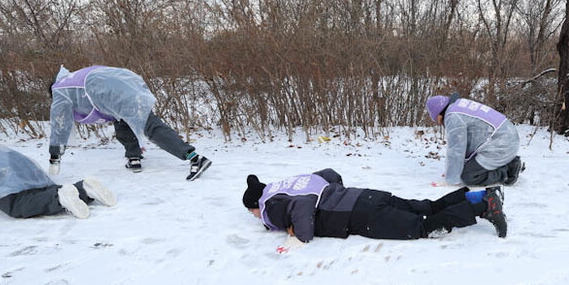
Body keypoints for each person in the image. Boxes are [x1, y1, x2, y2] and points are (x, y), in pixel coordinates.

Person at [242, 168, 508, 246]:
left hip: (359, 215)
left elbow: (303, 215)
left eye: (252, 212)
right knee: (424, 207)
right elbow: (330, 174)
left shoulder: (270, 205)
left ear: (256, 204)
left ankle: (483, 207)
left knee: (421, 226)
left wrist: (298, 233)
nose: (256, 216)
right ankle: (481, 195)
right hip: (366, 196)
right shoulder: (289, 183)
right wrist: (337, 194)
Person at [48, 65, 212, 181]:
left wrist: (55, 155)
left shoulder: (59, 91)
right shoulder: (72, 80)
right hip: (124, 82)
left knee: (150, 126)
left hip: (113, 91)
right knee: (121, 117)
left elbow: (59, 124)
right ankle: (134, 157)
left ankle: (195, 158)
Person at [0, 129, 115, 219]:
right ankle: (84, 189)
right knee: (37, 189)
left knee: (17, 204)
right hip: (9, 156)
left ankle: (60, 198)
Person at [425, 93, 524, 187]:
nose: (437, 123)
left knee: (469, 176)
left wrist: (451, 180)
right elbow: (466, 143)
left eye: (435, 119)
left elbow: (456, 150)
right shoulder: (458, 106)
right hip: (507, 137)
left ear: (438, 114)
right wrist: (452, 170)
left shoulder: (453, 117)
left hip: (501, 144)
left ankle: (508, 170)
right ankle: (508, 162)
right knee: (468, 167)